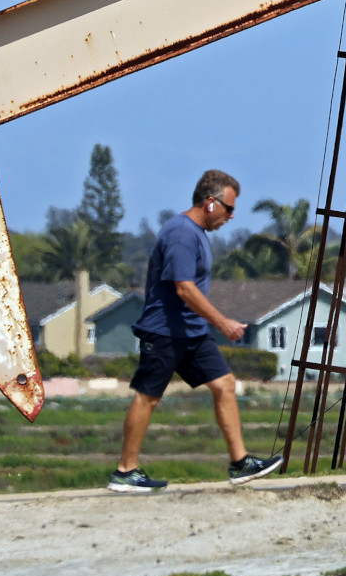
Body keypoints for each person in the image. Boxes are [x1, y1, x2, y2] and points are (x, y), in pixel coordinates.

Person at [108, 169, 283, 490]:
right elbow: (184, 289)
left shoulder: (196, 234)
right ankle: (125, 472)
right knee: (147, 397)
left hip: (191, 333)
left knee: (225, 384)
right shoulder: (181, 234)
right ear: (211, 202)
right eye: (229, 209)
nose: (231, 216)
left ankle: (240, 463)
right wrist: (224, 323)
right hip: (164, 331)